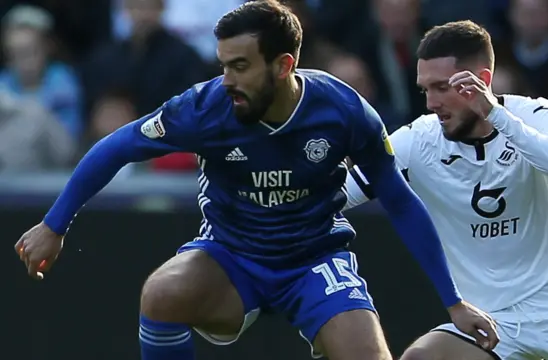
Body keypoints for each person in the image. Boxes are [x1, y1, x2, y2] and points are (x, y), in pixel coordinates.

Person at [14, 3, 497, 360]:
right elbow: (116, 147)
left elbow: (399, 200)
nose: (227, 79)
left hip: (316, 260)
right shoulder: (205, 107)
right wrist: (55, 225)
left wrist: (453, 301)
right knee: (162, 293)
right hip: (232, 255)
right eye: (224, 64)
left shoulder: (342, 110)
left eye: (240, 66)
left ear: (284, 65)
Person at [342, 20, 548, 360]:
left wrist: (495, 115)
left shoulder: (533, 113)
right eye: (426, 90)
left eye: (442, 88)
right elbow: (339, 196)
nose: (431, 103)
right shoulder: (417, 140)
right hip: (489, 320)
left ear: (482, 81)